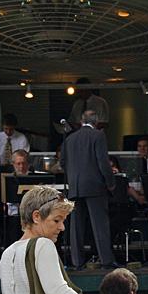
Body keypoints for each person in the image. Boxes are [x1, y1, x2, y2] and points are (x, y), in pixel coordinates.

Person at [60, 110, 117, 270]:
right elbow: (103, 162)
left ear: (81, 121)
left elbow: (63, 161)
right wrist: (110, 183)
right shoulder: (98, 136)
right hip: (94, 186)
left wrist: (72, 176)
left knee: (76, 226)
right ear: (96, 122)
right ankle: (106, 260)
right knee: (100, 224)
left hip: (75, 186)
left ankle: (77, 262)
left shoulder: (70, 138)